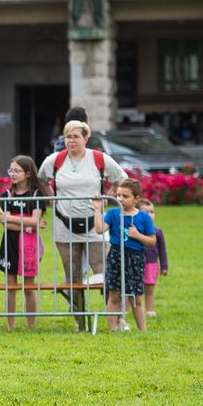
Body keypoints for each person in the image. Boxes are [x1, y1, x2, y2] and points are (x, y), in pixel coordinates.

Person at [38, 120, 127, 331]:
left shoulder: (98, 159)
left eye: (75, 136)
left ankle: (118, 318)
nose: (71, 140)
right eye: (68, 136)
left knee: (105, 272)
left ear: (86, 139)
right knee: (74, 276)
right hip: (64, 224)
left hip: (94, 225)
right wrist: (52, 199)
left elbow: (122, 178)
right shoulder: (55, 160)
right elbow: (41, 179)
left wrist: (110, 196)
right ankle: (79, 320)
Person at [93, 179, 156, 332]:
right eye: (119, 195)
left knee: (135, 296)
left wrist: (138, 235)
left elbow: (152, 241)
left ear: (136, 199)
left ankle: (143, 330)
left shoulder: (143, 217)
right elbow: (100, 229)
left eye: (125, 196)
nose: (120, 199)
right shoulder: (113, 214)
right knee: (114, 294)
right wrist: (96, 210)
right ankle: (112, 329)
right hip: (116, 256)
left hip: (135, 257)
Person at [0, 156, 46, 331]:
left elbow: (35, 220)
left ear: (27, 172)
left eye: (17, 170)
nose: (12, 174)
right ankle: (10, 325)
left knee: (29, 286)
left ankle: (31, 325)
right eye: (10, 170)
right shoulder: (7, 194)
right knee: (11, 286)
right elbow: (7, 224)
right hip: (9, 243)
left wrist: (12, 218)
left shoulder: (36, 195)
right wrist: (29, 224)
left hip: (28, 245)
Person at [137, 198, 168, 317]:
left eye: (152, 212)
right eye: (146, 212)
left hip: (152, 264)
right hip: (137, 263)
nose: (150, 215)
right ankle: (128, 309)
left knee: (149, 289)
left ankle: (150, 310)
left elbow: (162, 250)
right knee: (133, 289)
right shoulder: (135, 231)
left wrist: (164, 267)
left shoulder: (158, 232)